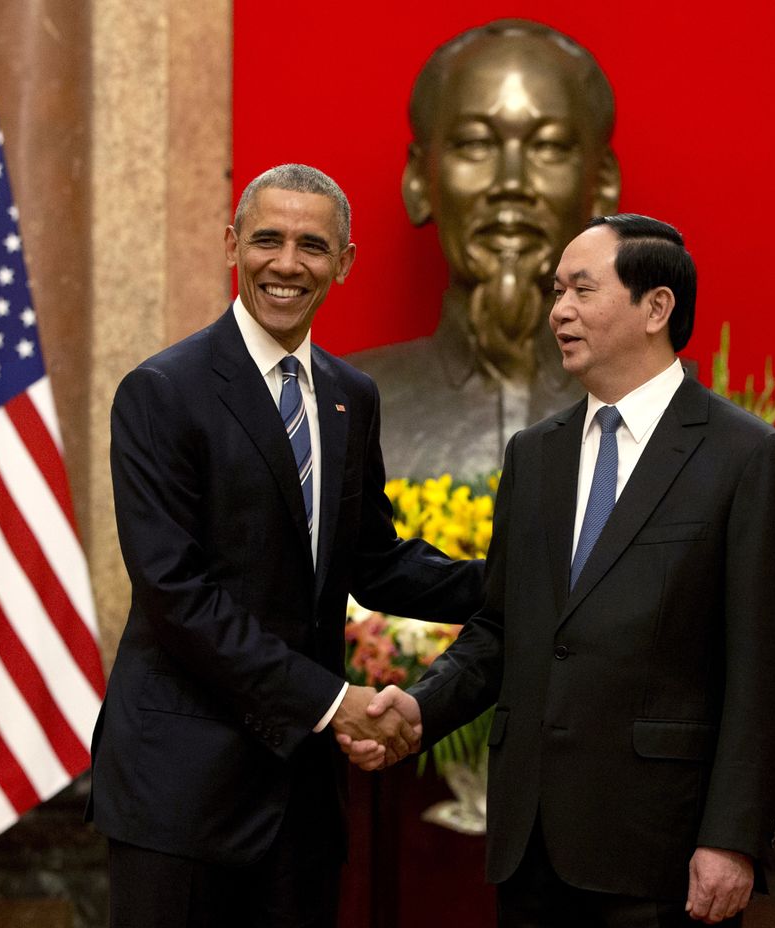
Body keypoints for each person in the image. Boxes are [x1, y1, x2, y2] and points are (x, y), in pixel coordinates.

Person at [346, 215, 775, 925]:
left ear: (655, 307)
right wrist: (420, 706)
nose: (557, 310)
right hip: (530, 849)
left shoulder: (747, 458)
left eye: (581, 290)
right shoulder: (535, 455)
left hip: (661, 850)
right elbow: (503, 627)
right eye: (556, 290)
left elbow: (764, 676)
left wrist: (732, 840)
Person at [87, 164, 484, 928]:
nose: (287, 263)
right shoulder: (163, 391)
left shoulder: (351, 395)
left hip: (299, 801)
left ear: (344, 262)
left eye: (312, 245)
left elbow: (373, 560)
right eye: (267, 240)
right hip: (180, 794)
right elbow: (177, 595)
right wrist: (335, 703)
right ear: (233, 246)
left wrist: (521, 577)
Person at [347, 19, 621, 480]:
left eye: (549, 147)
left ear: (603, 185)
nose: (510, 184)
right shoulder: (344, 411)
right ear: (418, 181)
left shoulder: (675, 407)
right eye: (475, 144)